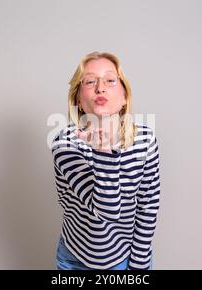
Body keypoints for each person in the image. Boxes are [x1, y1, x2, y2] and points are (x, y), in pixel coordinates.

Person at [51, 51, 161, 270]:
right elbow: (108, 211)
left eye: (110, 80)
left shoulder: (145, 140)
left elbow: (148, 205)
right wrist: (103, 152)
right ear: (79, 100)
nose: (100, 87)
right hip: (76, 259)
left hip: (127, 257)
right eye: (90, 81)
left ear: (124, 97)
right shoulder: (65, 144)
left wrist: (138, 265)